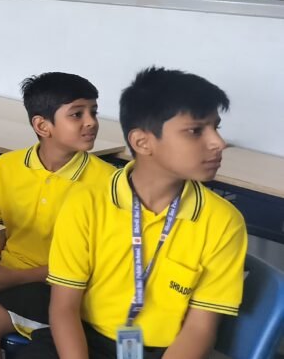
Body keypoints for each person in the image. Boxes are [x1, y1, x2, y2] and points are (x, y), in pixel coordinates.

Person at [22, 67, 247, 359]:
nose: (218, 142)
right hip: (86, 338)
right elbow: (64, 308)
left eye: (216, 128)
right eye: (195, 131)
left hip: (165, 351)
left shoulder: (223, 221)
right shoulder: (85, 202)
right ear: (142, 142)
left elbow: (199, 329)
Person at [0, 72, 115, 359]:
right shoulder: (6, 166)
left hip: (60, 286)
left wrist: (14, 278)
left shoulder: (108, 183)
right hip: (6, 269)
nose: (91, 122)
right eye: (77, 114)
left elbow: (96, 262)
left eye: (94, 112)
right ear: (42, 126)